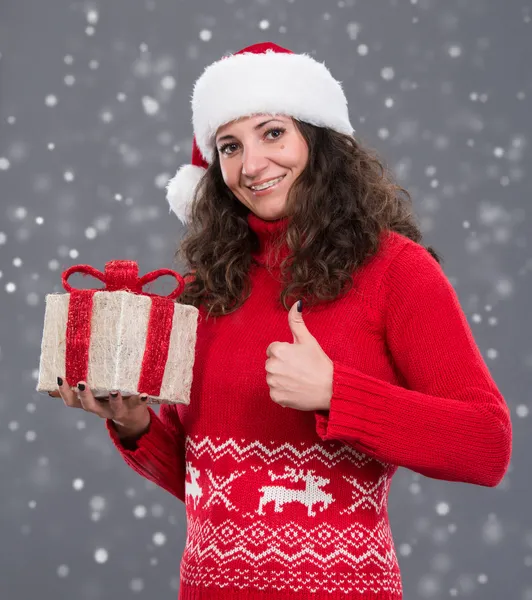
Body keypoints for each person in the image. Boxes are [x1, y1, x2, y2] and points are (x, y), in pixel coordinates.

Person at [51, 42, 512, 600]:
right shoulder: (207, 289)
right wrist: (135, 426)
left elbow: (487, 446)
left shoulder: (395, 271)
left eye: (273, 133)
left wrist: (336, 393)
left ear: (316, 140)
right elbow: (207, 489)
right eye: (229, 146)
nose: (252, 165)